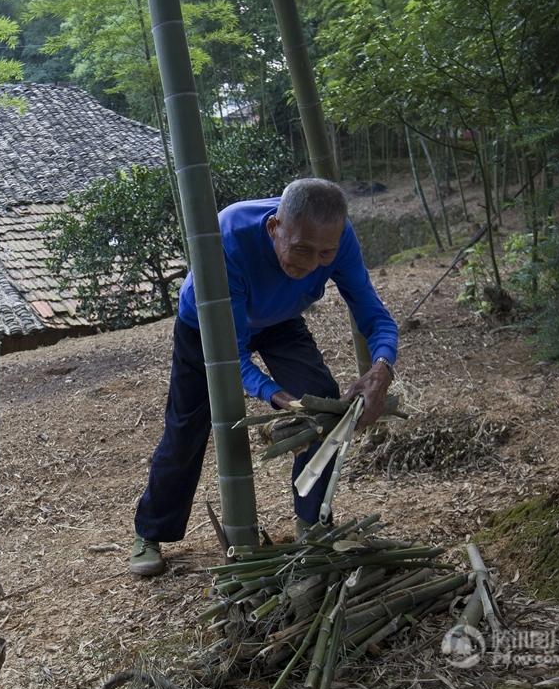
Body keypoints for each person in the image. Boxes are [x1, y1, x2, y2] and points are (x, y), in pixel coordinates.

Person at [129, 178, 399, 577]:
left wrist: (381, 369)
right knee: (187, 427)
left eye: (324, 253)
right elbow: (231, 354)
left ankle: (312, 525)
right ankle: (150, 531)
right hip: (206, 321)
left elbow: (373, 315)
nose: (311, 264)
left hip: (279, 319)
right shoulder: (229, 236)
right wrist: (273, 395)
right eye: (301, 250)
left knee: (322, 405)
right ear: (275, 228)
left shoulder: (336, 239)